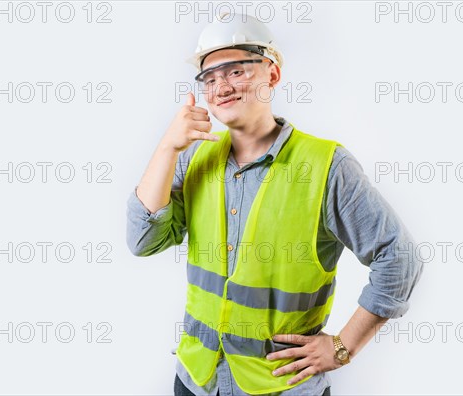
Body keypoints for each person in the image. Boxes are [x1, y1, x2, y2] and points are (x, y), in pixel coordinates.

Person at [126, 13, 423, 396]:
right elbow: (143, 241)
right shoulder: (193, 157)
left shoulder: (327, 166)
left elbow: (399, 258)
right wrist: (167, 147)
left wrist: (343, 347)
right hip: (197, 380)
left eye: (235, 71)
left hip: (281, 387)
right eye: (210, 78)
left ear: (272, 74)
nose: (221, 87)